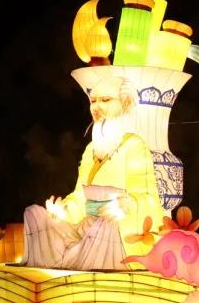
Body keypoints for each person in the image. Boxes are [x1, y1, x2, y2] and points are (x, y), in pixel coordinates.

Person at [21, 75, 164, 270]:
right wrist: (64, 210)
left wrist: (127, 206)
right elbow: (80, 196)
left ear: (125, 103)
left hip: (116, 233)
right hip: (86, 229)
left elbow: (149, 198)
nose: (96, 107)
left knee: (103, 229)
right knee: (36, 217)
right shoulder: (91, 150)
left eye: (105, 100)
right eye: (93, 101)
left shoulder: (134, 146)